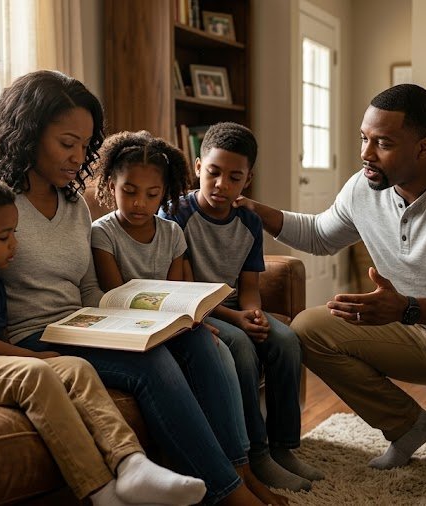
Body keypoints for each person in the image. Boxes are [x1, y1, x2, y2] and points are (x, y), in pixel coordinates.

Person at [0, 70, 267, 506]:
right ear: (29, 133)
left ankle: (239, 469)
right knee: (150, 364)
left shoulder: (73, 203)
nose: (78, 157)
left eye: (85, 145)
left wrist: (147, 320)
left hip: (82, 325)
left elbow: (87, 292)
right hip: (28, 334)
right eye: (67, 143)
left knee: (194, 338)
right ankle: (229, 497)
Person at [233, 85, 426, 495]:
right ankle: (407, 425)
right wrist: (252, 209)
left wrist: (406, 307)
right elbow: (322, 234)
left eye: (383, 143)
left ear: (424, 147)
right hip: (408, 324)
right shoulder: (364, 187)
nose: (366, 154)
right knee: (308, 329)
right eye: (364, 138)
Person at [0, 171, 206, 506]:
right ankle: (101, 491)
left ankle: (130, 463)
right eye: (4, 237)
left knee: (76, 366)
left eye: (14, 233)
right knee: (38, 373)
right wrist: (32, 356)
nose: (14, 244)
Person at [88, 130, 291, 504]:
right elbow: (116, 300)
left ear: (164, 193)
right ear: (110, 186)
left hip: (169, 324)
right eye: (129, 191)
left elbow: (180, 294)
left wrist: (195, 320)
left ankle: (242, 469)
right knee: (221, 347)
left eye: (152, 195)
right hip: (129, 327)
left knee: (213, 345)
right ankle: (235, 482)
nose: (139, 203)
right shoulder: (103, 233)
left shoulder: (171, 232)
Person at [160, 123, 324, 493]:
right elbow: (180, 290)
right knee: (244, 349)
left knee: (286, 341)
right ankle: (257, 455)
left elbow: (249, 287)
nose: (221, 185)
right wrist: (236, 319)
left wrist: (253, 313)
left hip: (234, 307)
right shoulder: (176, 214)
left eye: (234, 177)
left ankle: (284, 447)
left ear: (247, 180)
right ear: (198, 166)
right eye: (214, 173)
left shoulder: (249, 221)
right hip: (198, 310)